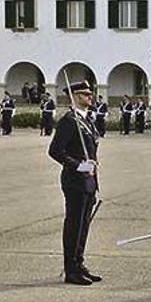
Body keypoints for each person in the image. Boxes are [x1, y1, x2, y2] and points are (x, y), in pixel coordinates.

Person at [48, 81, 102, 286]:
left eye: (90, 93)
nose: (90, 97)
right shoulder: (69, 121)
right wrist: (77, 165)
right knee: (74, 225)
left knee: (83, 226)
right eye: (85, 94)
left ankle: (78, 262)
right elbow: (55, 151)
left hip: (89, 181)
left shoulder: (87, 121)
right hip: (75, 181)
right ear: (74, 96)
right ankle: (70, 269)